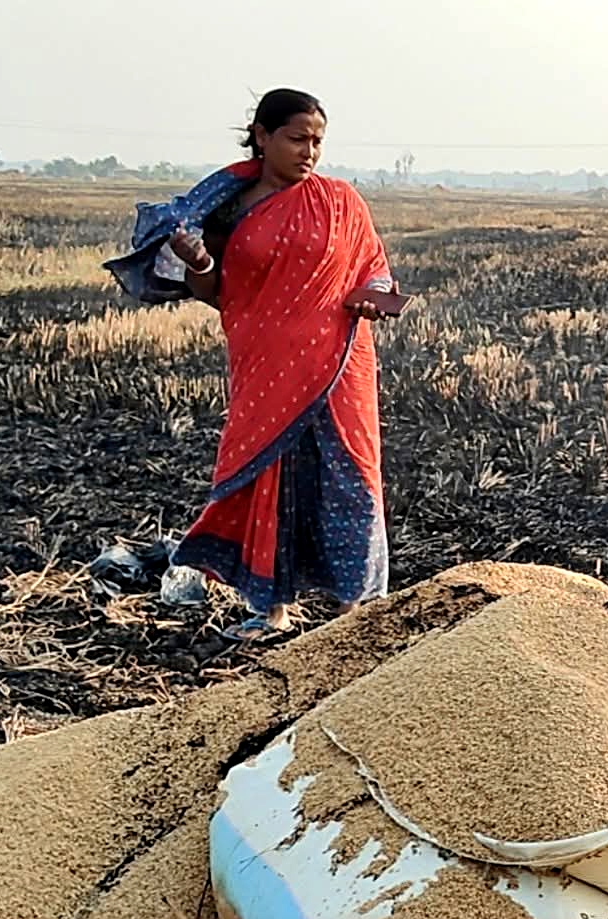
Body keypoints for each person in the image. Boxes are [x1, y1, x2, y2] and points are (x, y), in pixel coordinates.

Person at [103, 89, 401, 642]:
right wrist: (198, 262)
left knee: (350, 476)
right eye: (297, 138)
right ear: (262, 136)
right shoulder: (226, 210)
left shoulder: (340, 201)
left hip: (341, 361)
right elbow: (216, 292)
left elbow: (373, 267)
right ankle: (271, 609)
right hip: (265, 365)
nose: (309, 152)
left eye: (317, 141)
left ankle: (354, 612)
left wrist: (373, 297)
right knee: (271, 477)